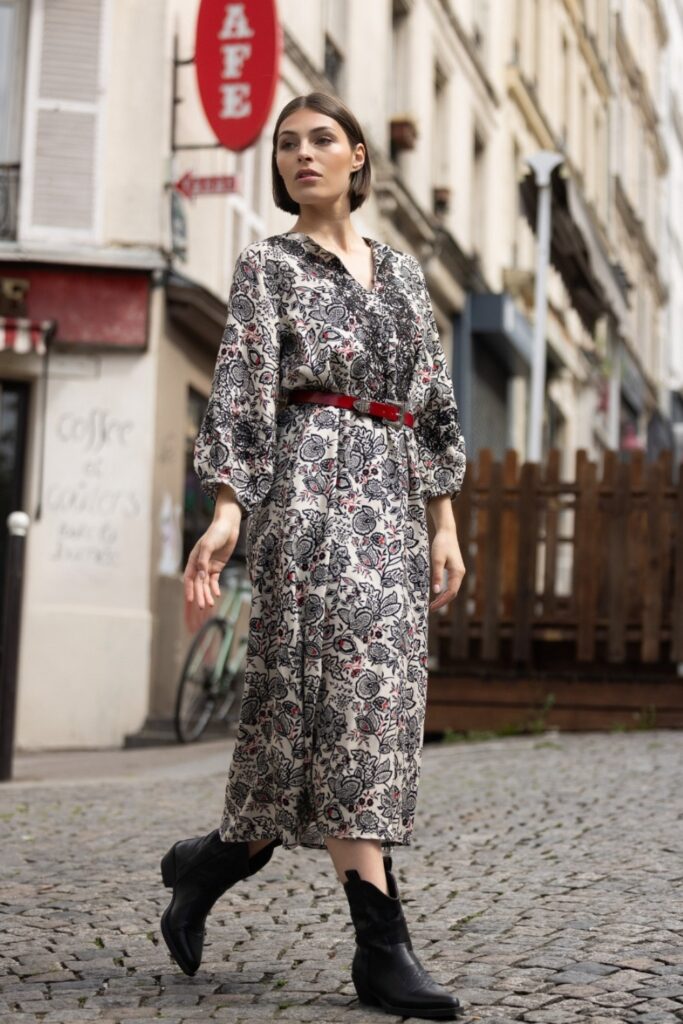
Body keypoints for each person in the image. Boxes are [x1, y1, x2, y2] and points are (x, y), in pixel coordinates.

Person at [159, 91, 467, 1021]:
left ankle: (213, 862)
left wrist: (444, 523)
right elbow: (245, 389)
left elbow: (434, 405)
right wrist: (226, 516)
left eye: (321, 140)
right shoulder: (268, 264)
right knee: (330, 705)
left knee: (369, 709)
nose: (302, 154)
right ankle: (382, 949)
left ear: (358, 157)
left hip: (389, 507)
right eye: (287, 143)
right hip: (306, 496)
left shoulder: (406, 277)